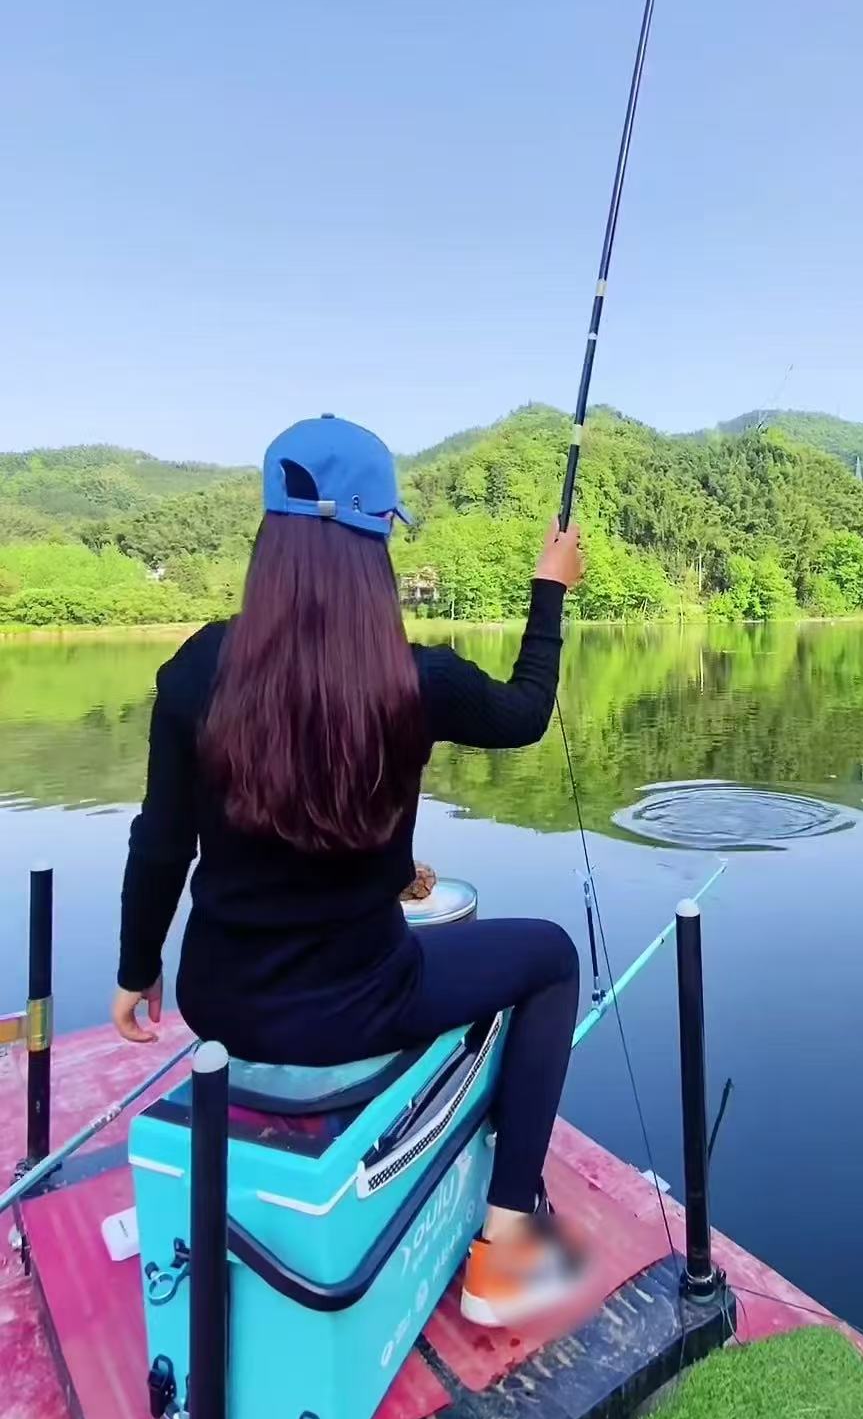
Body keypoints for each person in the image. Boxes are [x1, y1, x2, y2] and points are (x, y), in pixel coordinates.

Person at [114, 413, 585, 1327]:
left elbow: (161, 841)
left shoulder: (196, 671)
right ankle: (511, 1248)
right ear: (376, 545)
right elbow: (528, 712)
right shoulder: (416, 681)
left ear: (270, 535)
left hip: (218, 1002)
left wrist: (137, 972)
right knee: (551, 958)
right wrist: (547, 589)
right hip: (353, 1003)